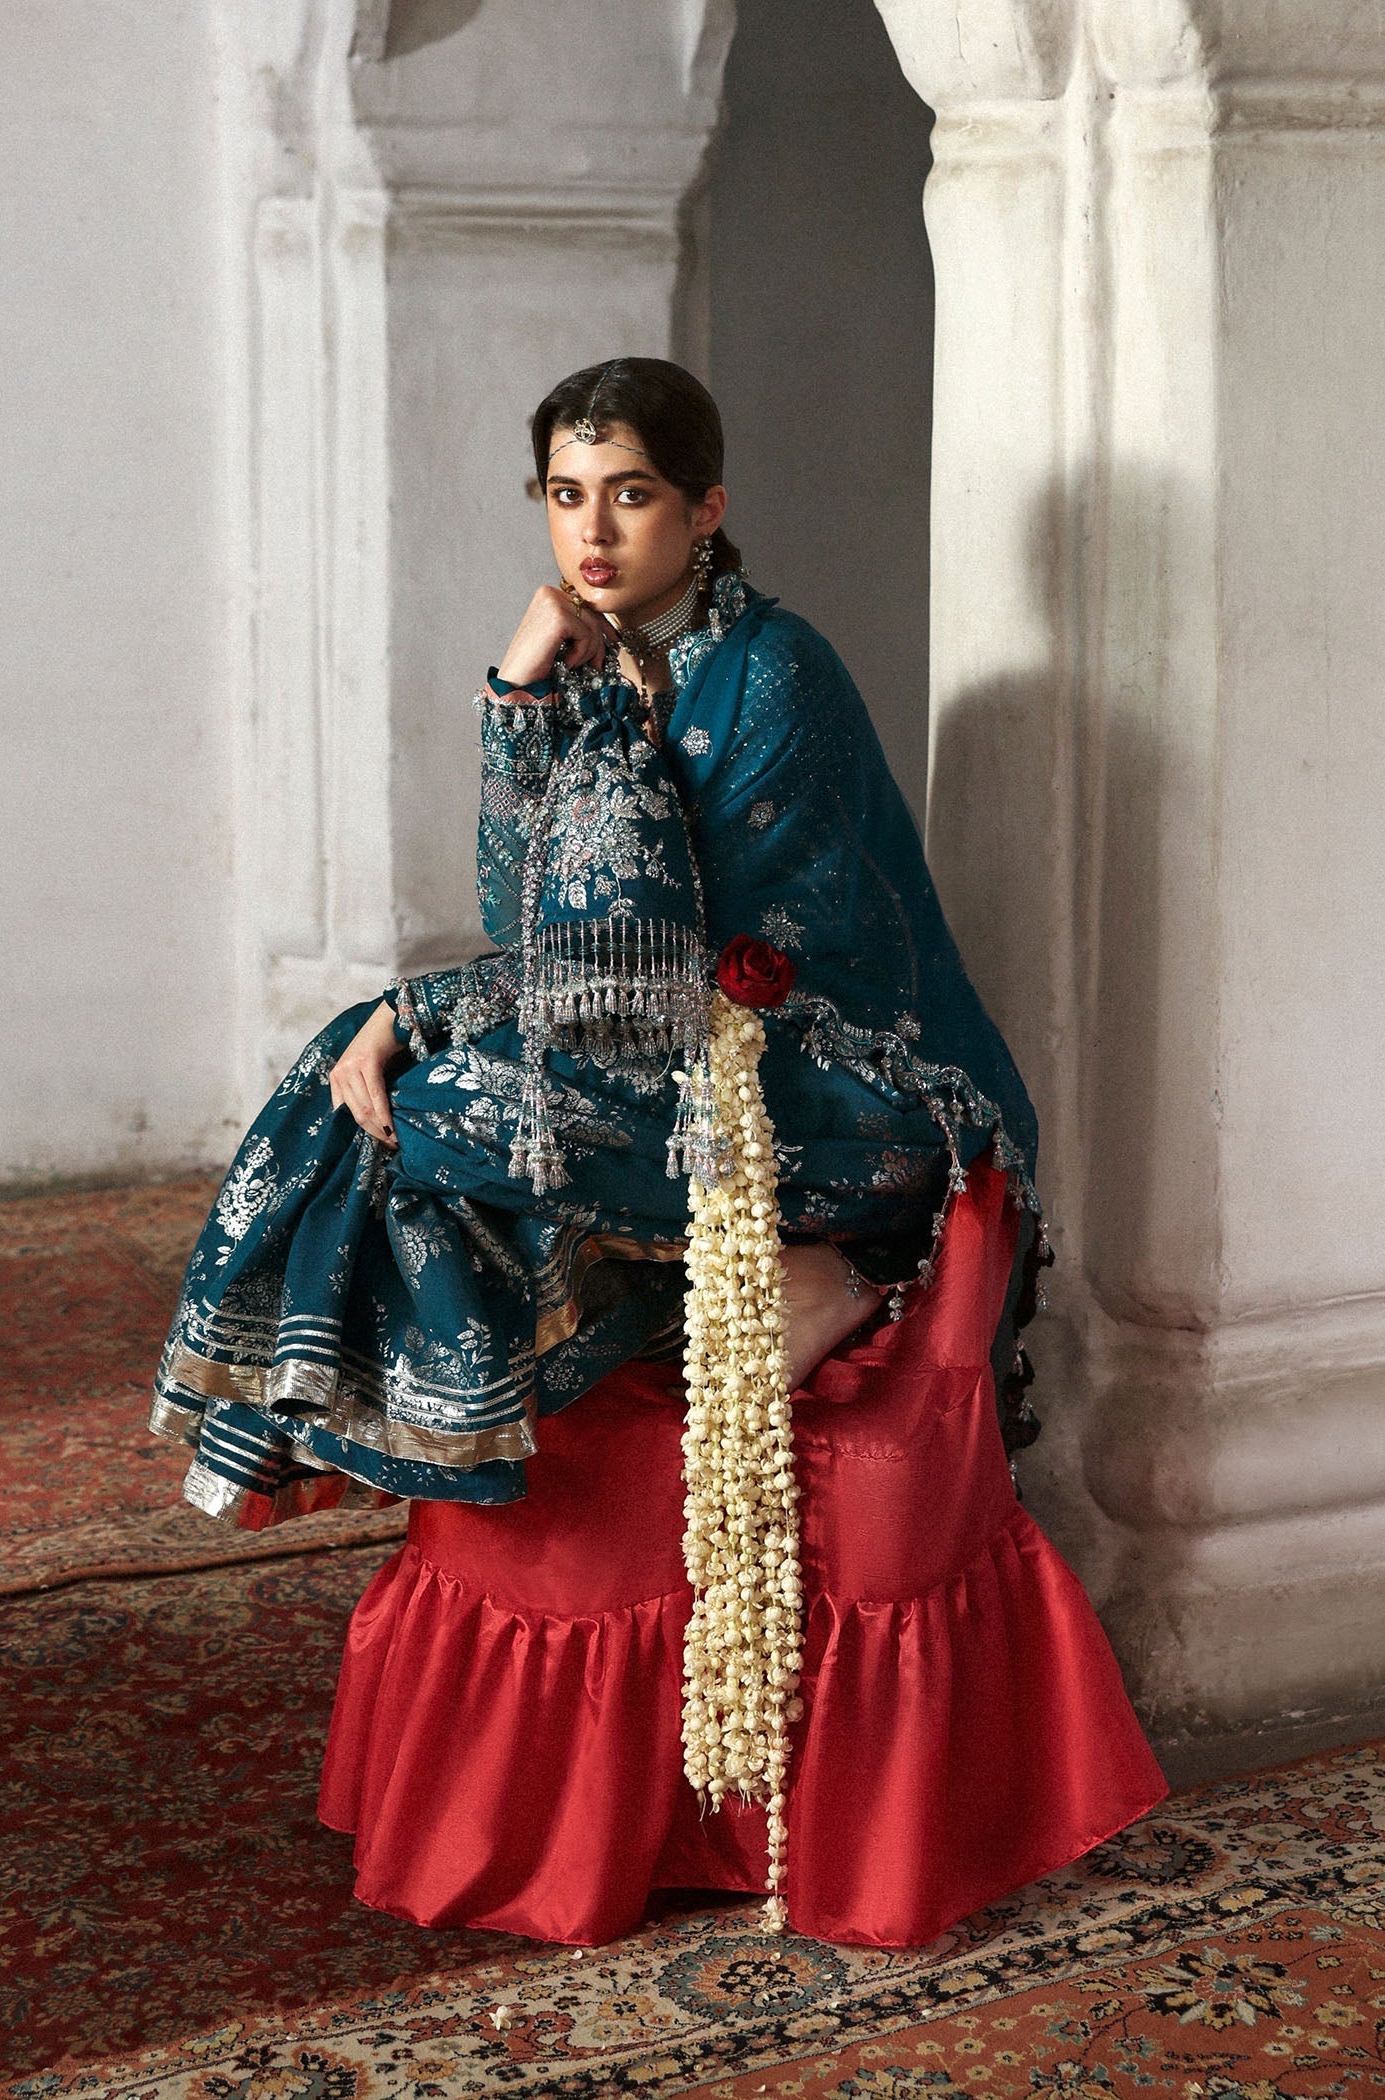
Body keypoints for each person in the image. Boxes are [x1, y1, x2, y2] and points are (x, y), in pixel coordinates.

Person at [151, 356, 1167, 1945]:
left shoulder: (773, 672)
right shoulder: (597, 660)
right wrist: (517, 696)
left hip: (854, 1086)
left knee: (438, 1095)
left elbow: (645, 959)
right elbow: (530, 919)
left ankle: (843, 1270)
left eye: (630, 494)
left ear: (707, 509)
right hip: (697, 1058)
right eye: (566, 496)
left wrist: (424, 1004)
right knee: (376, 1092)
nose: (595, 532)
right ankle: (504, 1373)